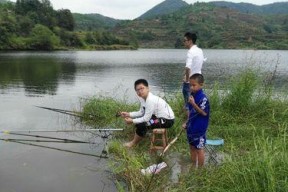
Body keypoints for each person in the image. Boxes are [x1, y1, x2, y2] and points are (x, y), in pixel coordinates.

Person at [120, 79, 175, 148]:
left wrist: (132, 121)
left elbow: (146, 118)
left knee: (142, 125)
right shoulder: (143, 98)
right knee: (139, 122)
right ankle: (142, 135)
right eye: (137, 90)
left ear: (148, 88)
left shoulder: (150, 100)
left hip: (167, 120)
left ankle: (133, 143)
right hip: (158, 117)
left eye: (142, 88)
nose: (140, 91)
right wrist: (129, 114)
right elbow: (141, 112)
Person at [182, 73, 210, 167]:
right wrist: (186, 122)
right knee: (192, 147)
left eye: (194, 85)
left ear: (201, 85)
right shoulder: (192, 95)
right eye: (190, 85)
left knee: (199, 148)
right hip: (191, 126)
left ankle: (200, 171)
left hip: (199, 128)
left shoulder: (203, 98)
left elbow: (204, 113)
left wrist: (193, 104)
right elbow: (190, 112)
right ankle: (193, 165)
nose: (191, 87)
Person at [182, 32, 205, 109]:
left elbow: (188, 67)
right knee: (196, 100)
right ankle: (195, 115)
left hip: (191, 80)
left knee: (188, 102)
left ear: (190, 41)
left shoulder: (190, 52)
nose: (184, 42)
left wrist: (187, 80)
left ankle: (188, 119)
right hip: (198, 79)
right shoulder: (200, 50)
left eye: (185, 40)